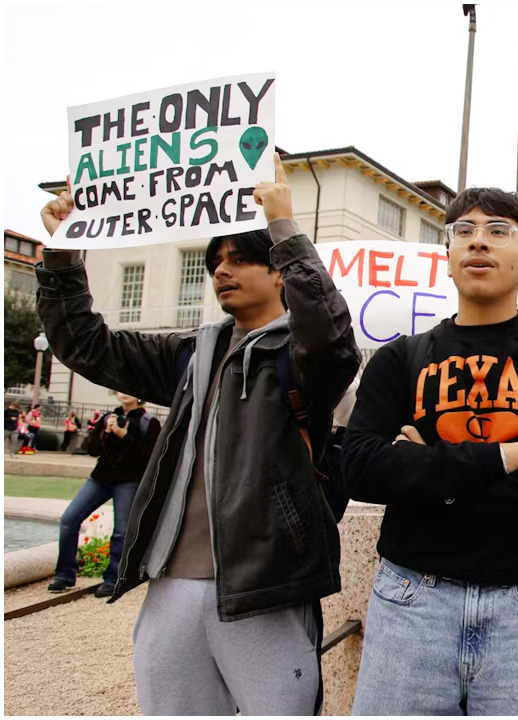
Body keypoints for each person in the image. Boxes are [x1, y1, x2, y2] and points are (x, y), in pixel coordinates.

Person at [37, 154, 360, 715]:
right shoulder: (190, 352)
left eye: (240, 259)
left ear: (279, 271)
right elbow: (88, 347)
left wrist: (284, 228)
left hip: (265, 587)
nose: (221, 270)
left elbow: (332, 339)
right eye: (215, 261)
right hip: (171, 581)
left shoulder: (301, 356)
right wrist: (63, 255)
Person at [343, 187, 518, 716]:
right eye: (463, 232)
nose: (478, 241)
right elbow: (360, 469)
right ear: (449, 257)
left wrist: (426, 467)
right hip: (411, 600)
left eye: (497, 231)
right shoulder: (400, 361)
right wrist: (502, 458)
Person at [48, 393, 159, 595]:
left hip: (129, 481)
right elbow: (91, 449)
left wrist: (125, 436)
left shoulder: (149, 422)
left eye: (130, 389)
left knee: (121, 531)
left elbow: (150, 457)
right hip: (101, 478)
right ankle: (64, 575)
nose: (124, 392)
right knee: (68, 520)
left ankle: (114, 579)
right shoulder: (108, 418)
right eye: (120, 389)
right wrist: (106, 433)